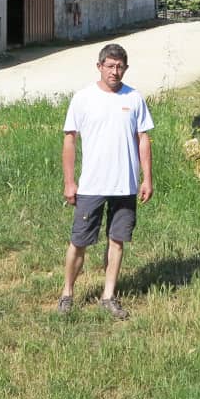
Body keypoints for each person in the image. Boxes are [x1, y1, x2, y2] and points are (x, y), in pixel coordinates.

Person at [58, 42, 153, 319]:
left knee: (118, 240)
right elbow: (70, 140)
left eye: (120, 66)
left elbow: (143, 139)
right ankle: (67, 293)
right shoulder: (83, 98)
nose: (115, 71)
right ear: (99, 67)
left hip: (125, 185)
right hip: (92, 184)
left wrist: (146, 179)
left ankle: (108, 295)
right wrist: (69, 181)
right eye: (110, 66)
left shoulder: (134, 98)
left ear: (125, 68)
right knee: (79, 241)